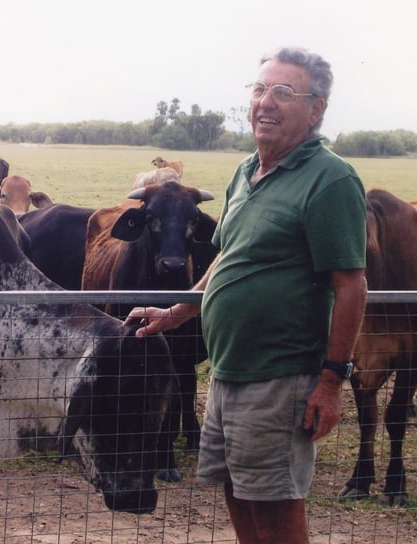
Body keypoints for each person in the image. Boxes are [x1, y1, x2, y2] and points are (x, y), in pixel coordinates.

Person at [125, 47, 368, 544]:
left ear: (316, 109)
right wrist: (179, 311)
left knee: (275, 510)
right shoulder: (244, 171)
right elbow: (225, 258)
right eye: (259, 89)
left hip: (280, 376)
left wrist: (331, 382)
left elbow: (351, 285)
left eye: (284, 91)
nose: (266, 102)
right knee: (238, 496)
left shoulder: (330, 179)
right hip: (227, 372)